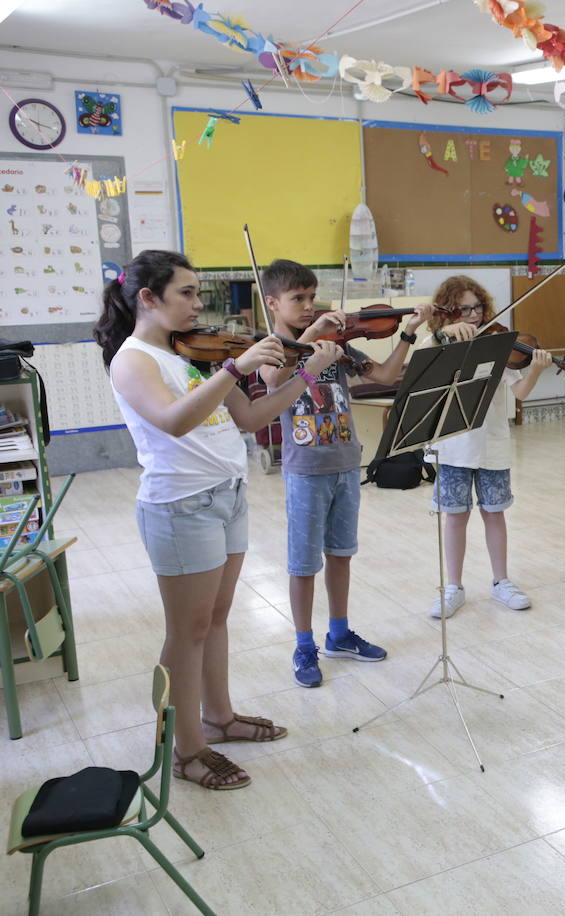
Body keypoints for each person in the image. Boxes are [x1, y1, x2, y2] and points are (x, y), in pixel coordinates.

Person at [96, 249, 342, 789]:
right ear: (147, 298)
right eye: (185, 292)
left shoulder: (194, 353)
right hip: (180, 504)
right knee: (186, 632)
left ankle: (220, 717)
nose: (197, 303)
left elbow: (253, 417)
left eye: (196, 292)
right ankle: (187, 750)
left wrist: (308, 371)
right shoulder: (134, 359)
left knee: (216, 618)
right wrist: (236, 366)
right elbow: (172, 421)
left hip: (226, 494)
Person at [256, 259, 433, 688]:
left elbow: (387, 375)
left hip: (345, 464)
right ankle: (303, 645)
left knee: (341, 554)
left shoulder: (338, 346)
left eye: (311, 298)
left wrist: (408, 334)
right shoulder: (273, 348)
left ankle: (339, 634)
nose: (307, 306)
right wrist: (310, 337)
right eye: (297, 299)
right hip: (306, 471)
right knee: (303, 564)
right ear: (273, 303)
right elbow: (272, 381)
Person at [420, 275, 552, 618]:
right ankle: (453, 587)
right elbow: (418, 359)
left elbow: (519, 393)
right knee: (455, 516)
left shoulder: (496, 344)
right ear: (447, 312)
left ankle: (501, 582)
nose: (474, 314)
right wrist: (443, 335)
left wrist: (535, 371)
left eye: (477, 307)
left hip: (491, 442)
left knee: (494, 512)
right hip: (452, 446)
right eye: (464, 309)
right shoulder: (439, 343)